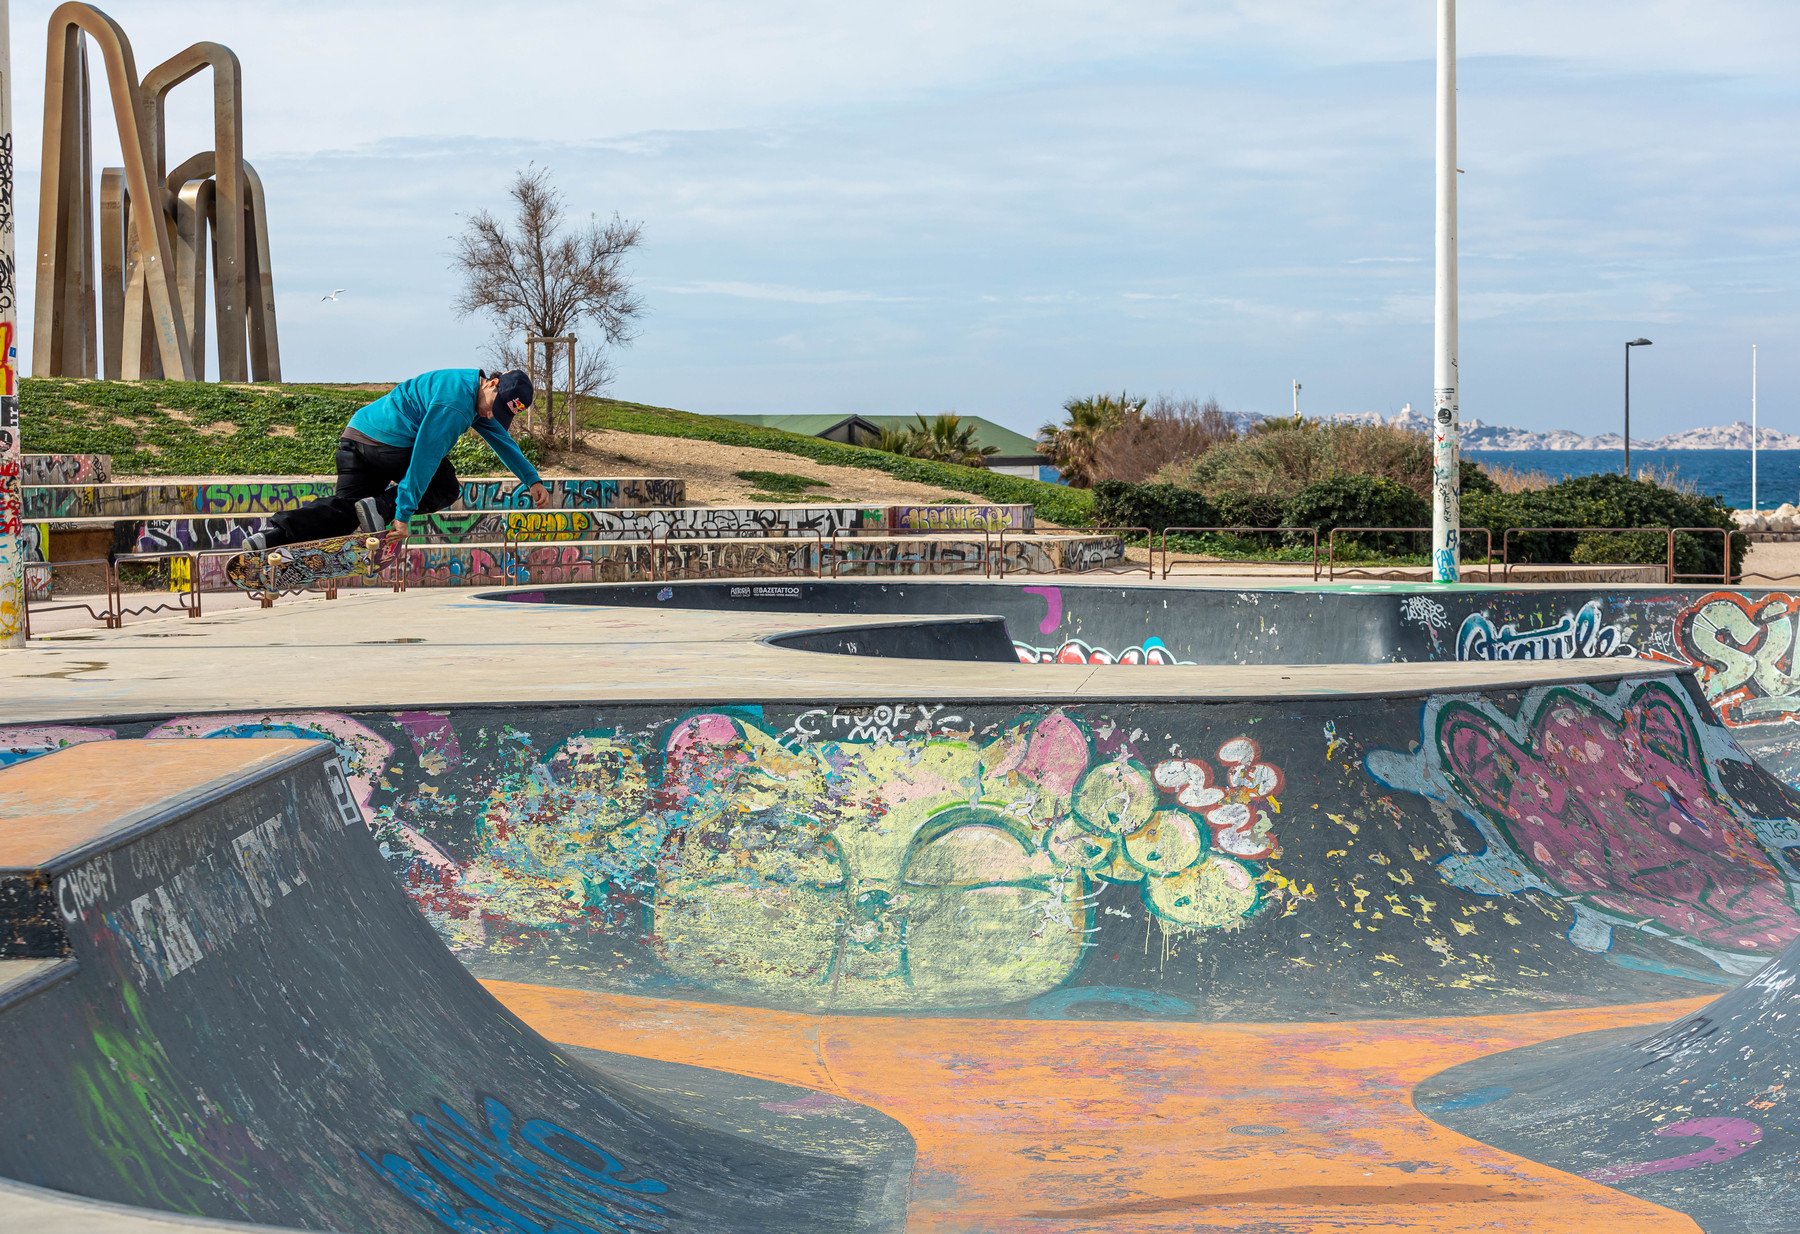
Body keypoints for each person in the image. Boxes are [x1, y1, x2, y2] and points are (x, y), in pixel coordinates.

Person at [246, 368, 551, 551]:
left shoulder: (469, 391)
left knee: (346, 511)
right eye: (492, 407)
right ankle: (379, 508)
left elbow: (501, 440)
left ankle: (272, 535)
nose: (489, 415)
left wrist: (531, 479)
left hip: (355, 439)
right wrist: (401, 515)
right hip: (387, 444)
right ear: (493, 383)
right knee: (445, 485)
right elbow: (423, 459)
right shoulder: (456, 404)